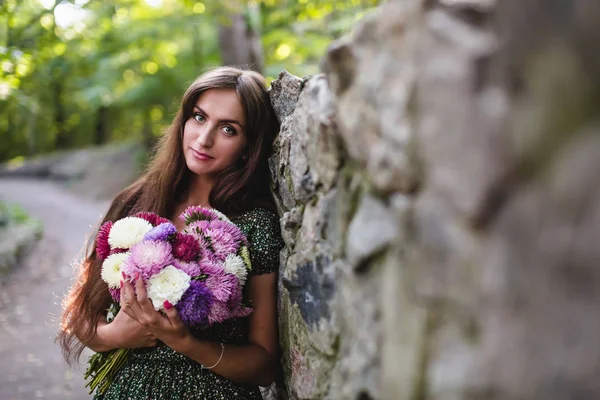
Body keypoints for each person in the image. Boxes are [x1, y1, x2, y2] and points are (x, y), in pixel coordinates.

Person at [58, 66, 284, 399]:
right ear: (183, 120)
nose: (204, 139)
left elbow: (265, 365)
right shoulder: (137, 201)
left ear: (249, 146)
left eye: (228, 129)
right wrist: (114, 336)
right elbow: (80, 315)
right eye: (199, 117)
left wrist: (188, 344)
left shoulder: (253, 224)